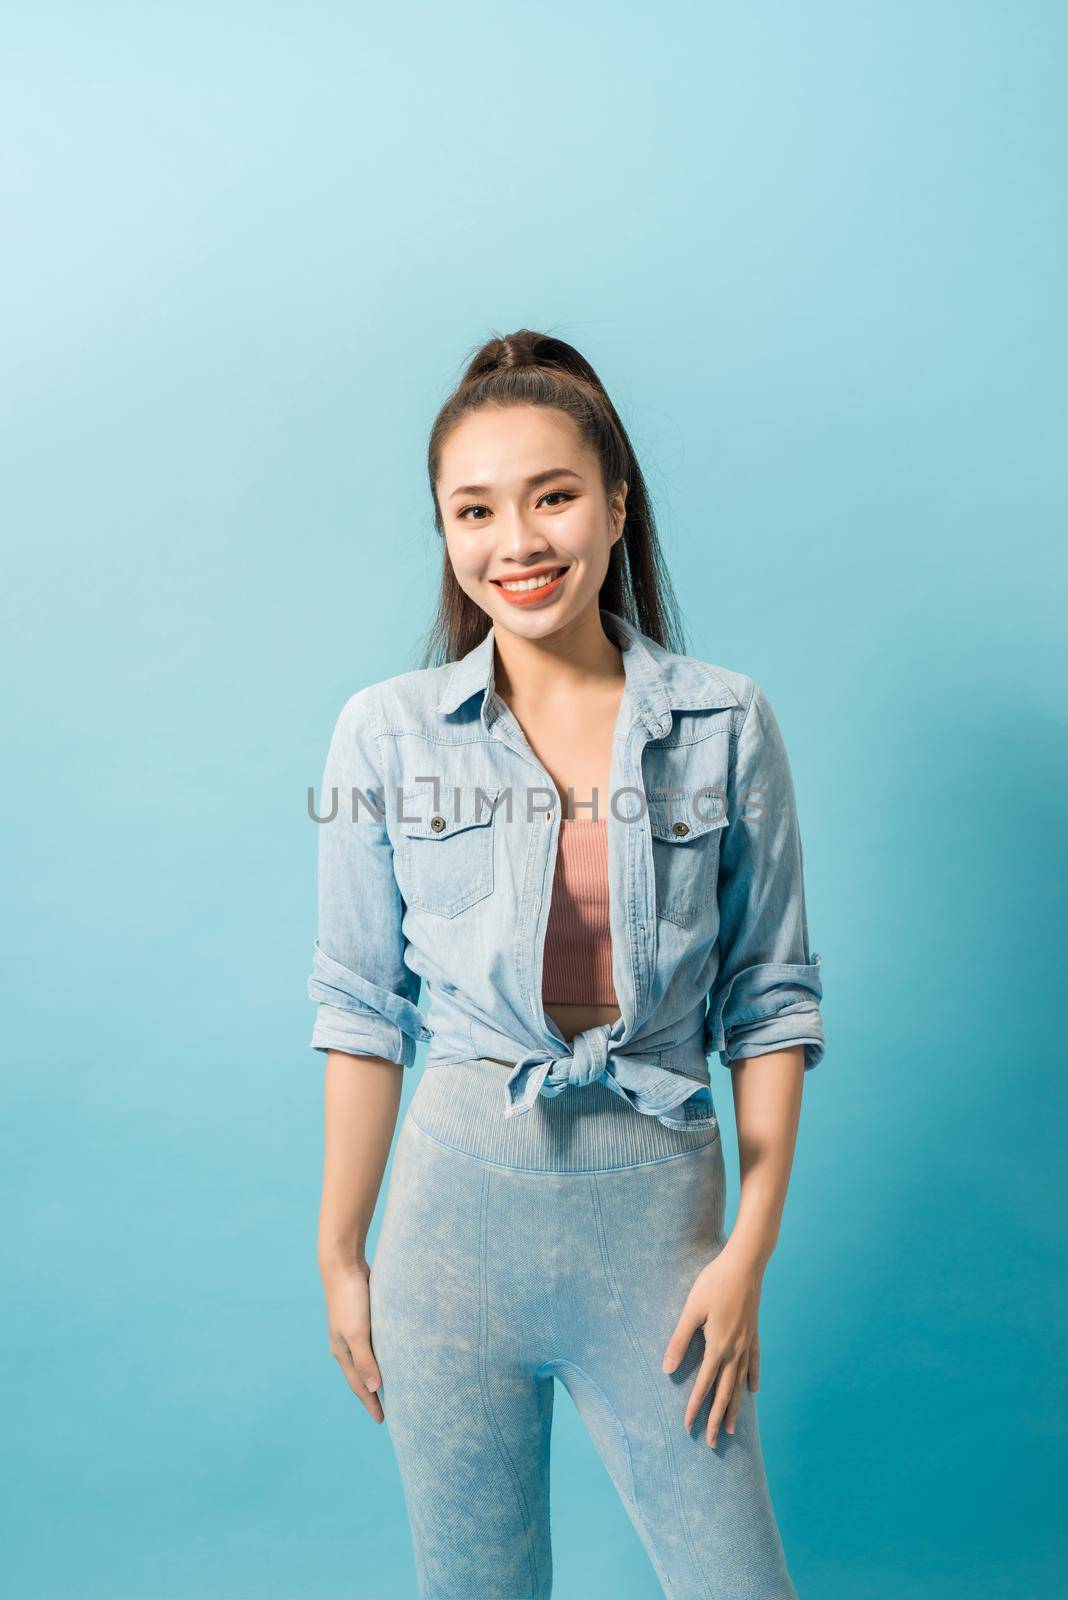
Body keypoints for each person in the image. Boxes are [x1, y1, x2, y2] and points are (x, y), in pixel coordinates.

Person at [309, 328, 825, 1600]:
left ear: (614, 504)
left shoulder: (723, 721)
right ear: (444, 529)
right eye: (474, 510)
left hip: (661, 1230)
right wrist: (340, 1250)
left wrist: (750, 1244)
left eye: (552, 496)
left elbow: (771, 1001)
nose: (517, 541)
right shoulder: (385, 732)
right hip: (449, 1235)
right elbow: (363, 1009)